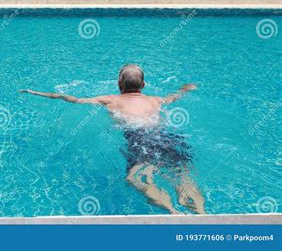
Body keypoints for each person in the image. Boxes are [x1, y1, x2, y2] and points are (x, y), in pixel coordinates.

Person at [20, 64, 206, 214]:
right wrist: (185, 89)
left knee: (136, 178)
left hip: (140, 138)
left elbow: (73, 99)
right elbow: (174, 97)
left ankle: (172, 211)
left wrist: (36, 93)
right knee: (182, 174)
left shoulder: (109, 99)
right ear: (143, 85)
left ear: (119, 85)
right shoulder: (155, 99)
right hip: (167, 137)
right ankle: (201, 211)